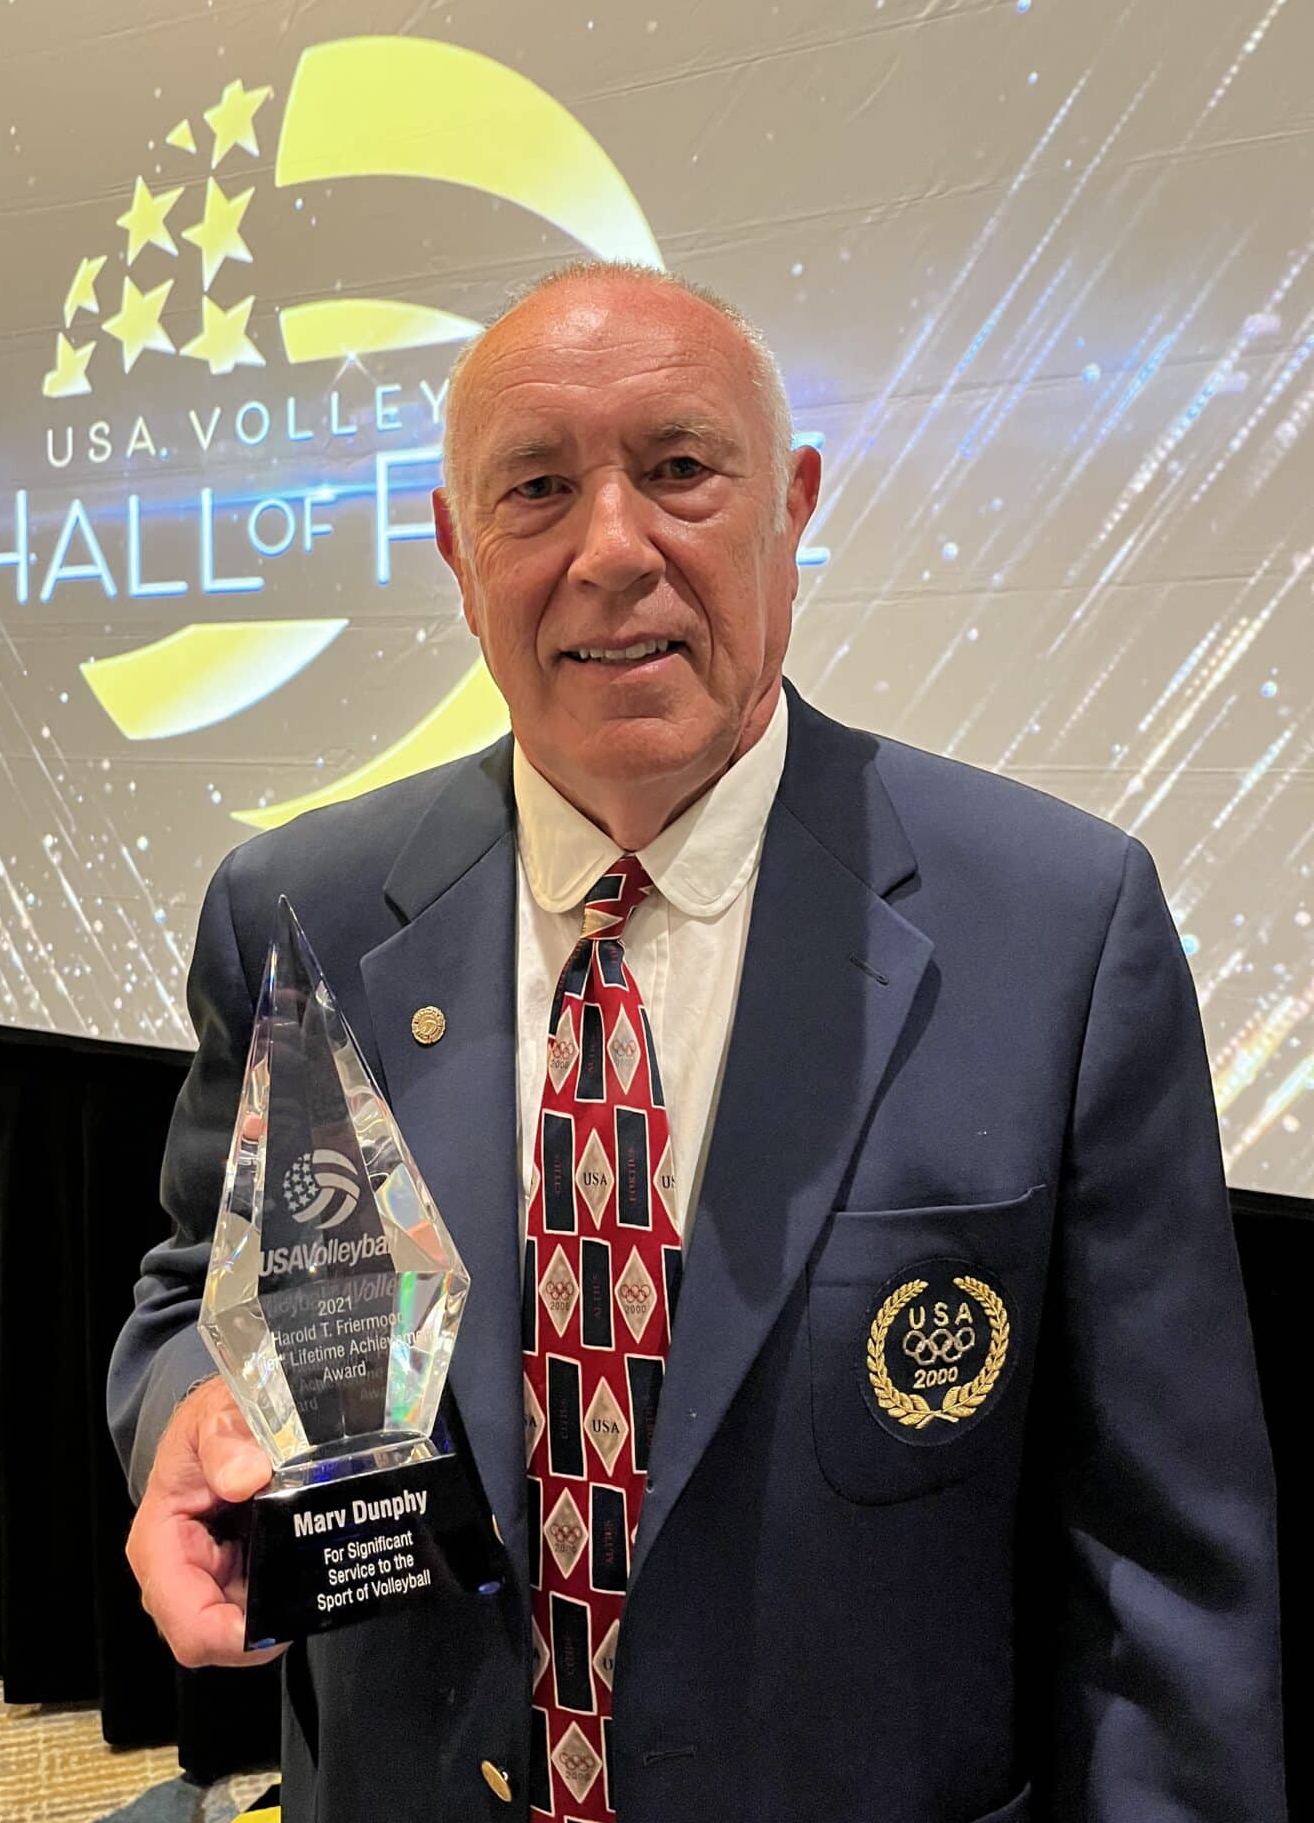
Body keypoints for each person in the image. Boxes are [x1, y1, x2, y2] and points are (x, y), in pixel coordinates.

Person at [108, 262, 1285, 1822]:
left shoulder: (1059, 930)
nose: (612, 550)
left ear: (789, 505)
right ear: (460, 551)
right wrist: (191, 1410)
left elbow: (1163, 1574)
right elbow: (203, 1289)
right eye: (537, 488)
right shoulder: (299, 912)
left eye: (678, 470)